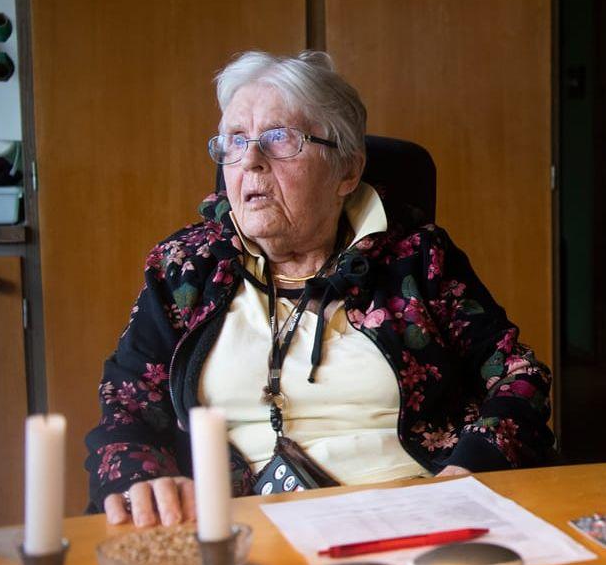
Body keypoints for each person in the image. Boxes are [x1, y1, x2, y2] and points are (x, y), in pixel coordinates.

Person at [88, 51, 554, 525]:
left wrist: (465, 475)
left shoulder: (417, 258)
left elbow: (519, 375)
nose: (250, 160)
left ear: (347, 171)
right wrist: (142, 481)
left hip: (412, 515)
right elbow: (126, 406)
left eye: (279, 138)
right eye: (234, 140)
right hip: (238, 529)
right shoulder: (185, 267)